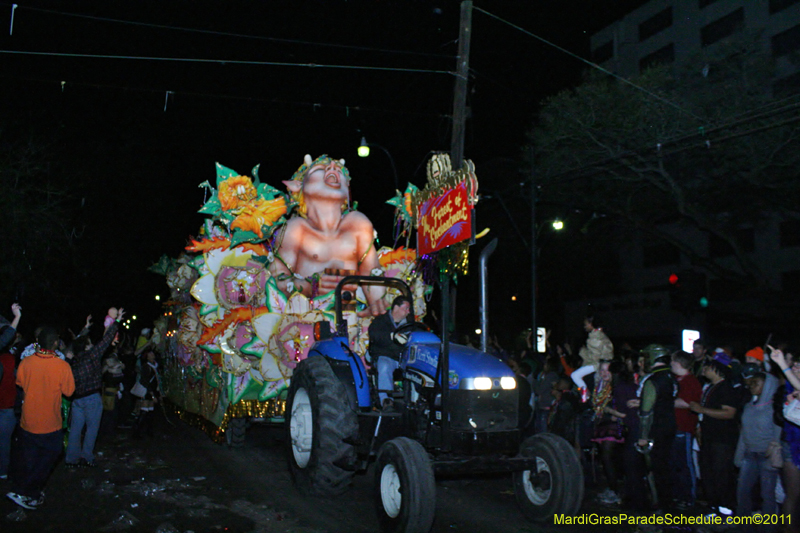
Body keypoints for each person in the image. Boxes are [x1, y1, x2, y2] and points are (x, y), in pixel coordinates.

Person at [269, 155, 386, 316]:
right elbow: (276, 279)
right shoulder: (295, 229)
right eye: (320, 169)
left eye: (340, 170)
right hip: (304, 325)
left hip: (351, 322)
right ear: (298, 186)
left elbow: (372, 272)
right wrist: (311, 286)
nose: (333, 167)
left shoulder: (358, 225)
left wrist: (378, 306)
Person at [7, 326, 75, 510]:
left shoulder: (26, 362)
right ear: (55, 344)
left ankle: (26, 490)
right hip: (49, 424)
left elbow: (20, 383)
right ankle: (26, 491)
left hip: (28, 420)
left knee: (30, 458)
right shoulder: (62, 365)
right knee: (49, 457)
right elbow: (69, 391)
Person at [65, 310, 122, 467]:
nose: (91, 344)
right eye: (89, 342)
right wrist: (116, 321)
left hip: (77, 399)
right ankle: (86, 457)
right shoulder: (92, 356)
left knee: (76, 430)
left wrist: (85, 328)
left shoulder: (72, 361)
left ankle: (71, 458)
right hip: (92, 398)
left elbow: (73, 345)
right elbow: (106, 340)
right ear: (87, 346)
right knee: (92, 428)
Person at [690, 353, 739, 517]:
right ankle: (714, 508)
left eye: (708, 367)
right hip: (710, 438)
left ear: (717, 369)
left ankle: (726, 512)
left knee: (721, 475)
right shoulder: (711, 387)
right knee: (709, 474)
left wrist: (701, 410)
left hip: (722, 439)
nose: (704, 369)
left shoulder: (726, 388)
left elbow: (729, 413)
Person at [735, 364, 781, 529]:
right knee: (743, 492)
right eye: (752, 383)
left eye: (757, 384)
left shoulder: (772, 409)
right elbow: (744, 433)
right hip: (749, 454)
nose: (752, 386)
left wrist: (773, 455)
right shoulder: (749, 406)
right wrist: (739, 456)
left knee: (767, 495)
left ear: (768, 386)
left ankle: (769, 528)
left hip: (765, 455)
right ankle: (744, 526)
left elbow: (777, 434)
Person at [635, 344, 677, 511]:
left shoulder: (653, 381)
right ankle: (667, 505)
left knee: (655, 470)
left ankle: (660, 508)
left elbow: (646, 411)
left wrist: (643, 436)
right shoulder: (670, 377)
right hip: (670, 426)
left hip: (655, 430)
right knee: (665, 468)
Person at [670, 350, 702, 508]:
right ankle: (677, 494)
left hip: (684, 427)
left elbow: (687, 403)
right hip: (673, 427)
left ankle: (689, 496)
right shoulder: (675, 380)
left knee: (685, 464)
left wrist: (664, 401)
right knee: (674, 463)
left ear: (679, 363)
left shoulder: (691, 381)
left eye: (673, 361)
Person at [367, 296, 411, 407]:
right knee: (384, 365)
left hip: (404, 358)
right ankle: (386, 400)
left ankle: (416, 401)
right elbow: (376, 336)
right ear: (396, 307)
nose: (408, 312)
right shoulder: (380, 322)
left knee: (418, 367)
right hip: (387, 356)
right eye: (405, 308)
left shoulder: (410, 325)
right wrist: (392, 337)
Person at [0, 303, 21, 481]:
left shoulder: (10, 358)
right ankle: (3, 471)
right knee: (4, 443)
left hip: (6, 407)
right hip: (6, 408)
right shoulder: (9, 360)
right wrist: (17, 318)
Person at [571, 315, 613, 391]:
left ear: (591, 324)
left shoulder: (595, 338)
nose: (584, 326)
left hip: (597, 364)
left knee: (575, 375)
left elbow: (594, 357)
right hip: (602, 363)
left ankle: (585, 394)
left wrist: (582, 351)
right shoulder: (599, 334)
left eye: (585, 324)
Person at [133, 350, 160, 438]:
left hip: (153, 390)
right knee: (144, 411)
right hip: (147, 391)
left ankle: (149, 430)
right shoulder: (146, 367)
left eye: (153, 354)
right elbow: (146, 381)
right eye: (150, 354)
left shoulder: (155, 366)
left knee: (150, 411)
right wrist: (152, 395)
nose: (152, 355)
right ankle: (137, 432)